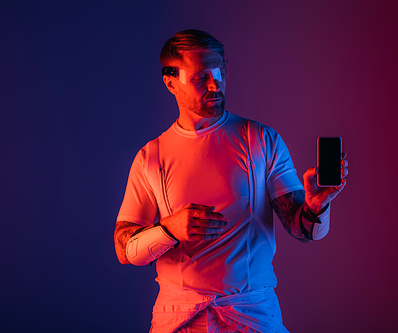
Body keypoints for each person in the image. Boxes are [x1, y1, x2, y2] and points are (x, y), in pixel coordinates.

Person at [114, 29, 348, 333]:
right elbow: (124, 249)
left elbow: (302, 230)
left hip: (252, 315)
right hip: (179, 320)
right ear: (170, 81)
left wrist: (317, 207)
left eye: (220, 72)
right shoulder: (151, 157)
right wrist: (168, 229)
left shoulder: (262, 141)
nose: (215, 85)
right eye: (200, 77)